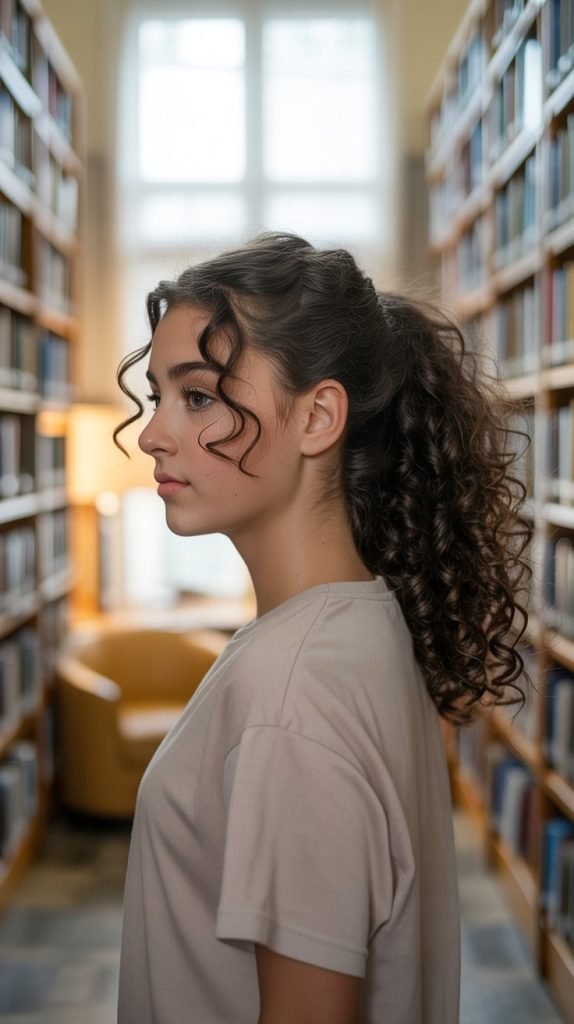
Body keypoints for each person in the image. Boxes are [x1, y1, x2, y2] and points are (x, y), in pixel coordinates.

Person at [113, 232, 531, 1024]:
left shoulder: (292, 693)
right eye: (158, 395)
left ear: (318, 417)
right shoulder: (364, 626)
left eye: (197, 395)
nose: (152, 433)